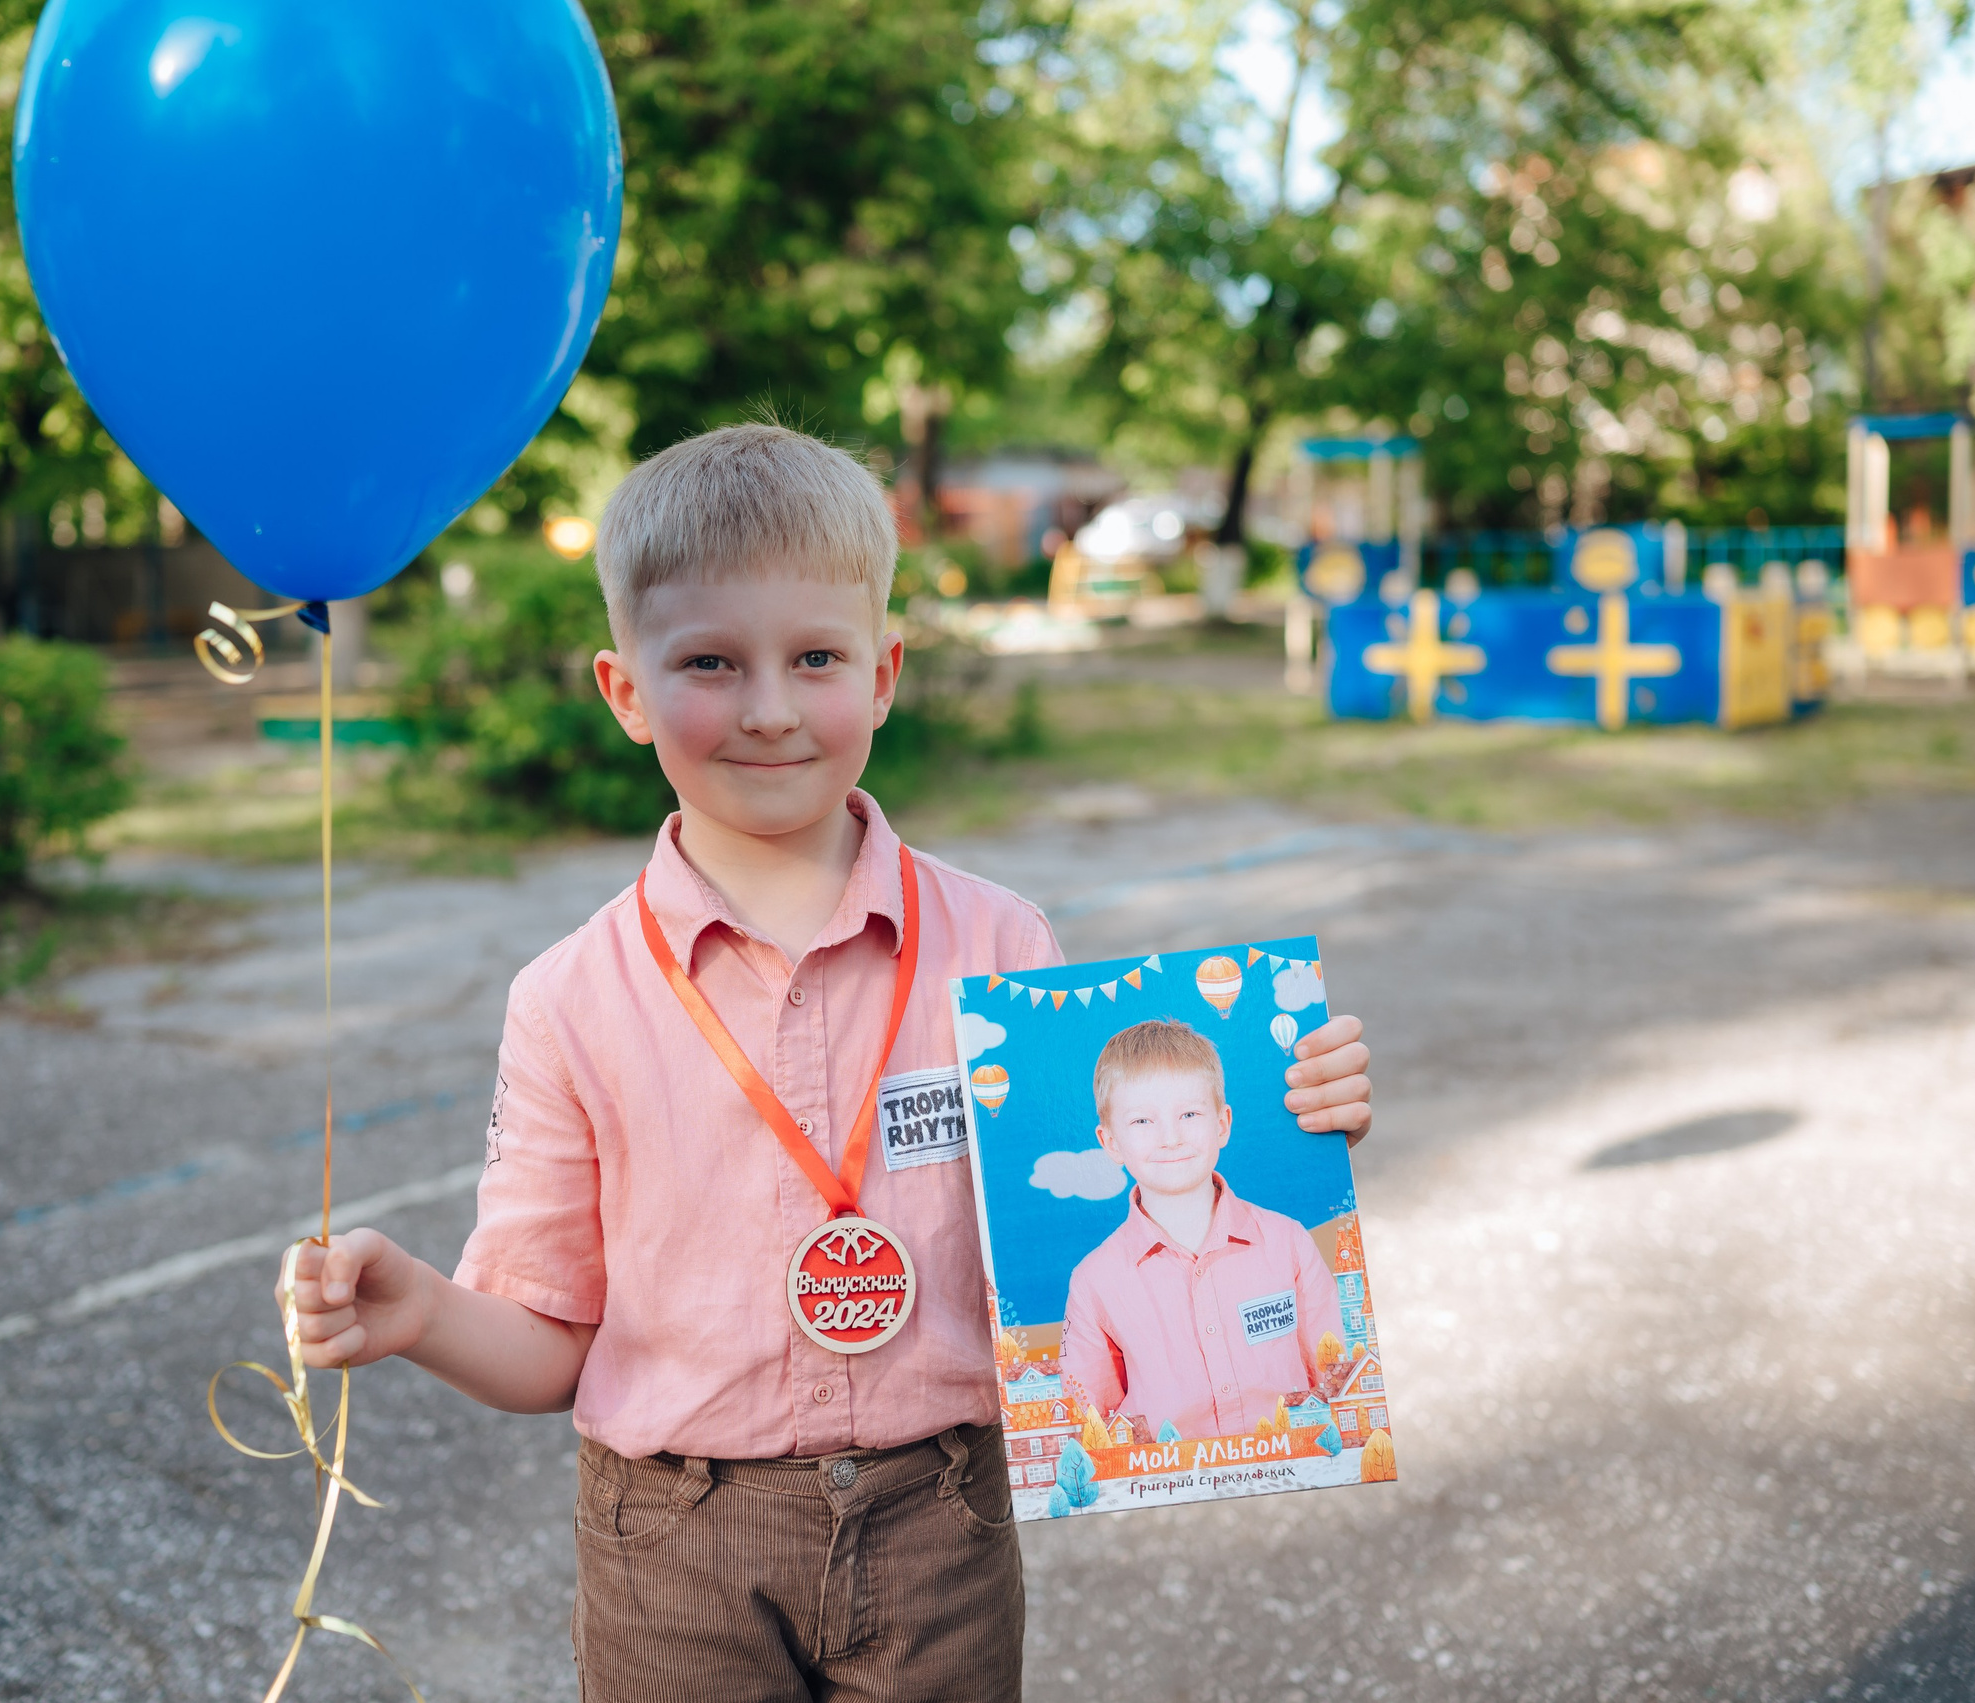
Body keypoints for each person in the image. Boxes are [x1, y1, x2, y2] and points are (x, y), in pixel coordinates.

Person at [275, 425, 1375, 1701]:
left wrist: (1287, 1125)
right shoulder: (567, 1000)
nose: (769, 708)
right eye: (709, 661)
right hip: (672, 1541)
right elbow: (549, 1345)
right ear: (624, 690)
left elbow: (1098, 1218)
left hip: (940, 1522)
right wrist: (420, 1313)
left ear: (884, 670)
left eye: (815, 657)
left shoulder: (1004, 949)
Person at [1060, 1019, 1346, 1444]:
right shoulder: (1093, 1281)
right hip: (1164, 1481)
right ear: (1111, 1142)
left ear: (1222, 1124)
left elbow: (1335, 1375)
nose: (1170, 1138)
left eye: (1189, 1114)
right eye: (1142, 1121)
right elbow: (1092, 1426)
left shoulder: (1288, 1243)